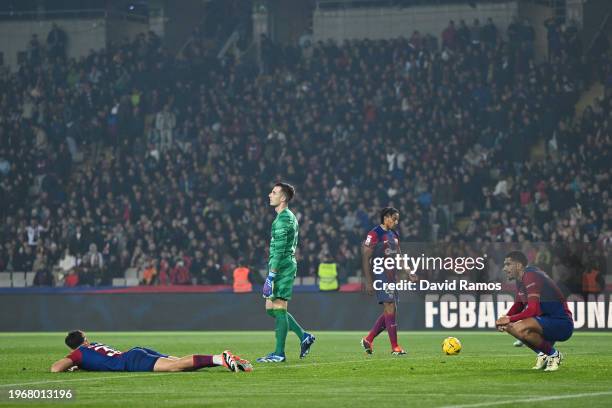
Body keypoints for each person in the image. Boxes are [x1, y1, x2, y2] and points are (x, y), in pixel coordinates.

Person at [257, 182, 315, 363]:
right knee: (270, 309)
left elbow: (281, 249)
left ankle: (279, 354)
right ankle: (304, 335)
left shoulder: (284, 219)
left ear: (283, 198)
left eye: (273, 192)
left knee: (280, 308)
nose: (269, 195)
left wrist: (272, 275)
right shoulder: (284, 217)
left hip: (282, 267)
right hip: (278, 265)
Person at [496, 251, 574, 371]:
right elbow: (518, 305)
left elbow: (533, 310)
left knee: (519, 326)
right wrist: (503, 320)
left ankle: (554, 355)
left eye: (508, 264)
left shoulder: (531, 275)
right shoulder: (521, 279)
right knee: (509, 326)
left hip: (561, 323)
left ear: (518, 265)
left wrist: (509, 319)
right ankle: (543, 354)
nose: (504, 268)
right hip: (546, 322)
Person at [50, 330, 252, 373]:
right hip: (134, 353)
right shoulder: (91, 347)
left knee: (175, 367)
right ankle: (221, 360)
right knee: (180, 364)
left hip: (130, 362)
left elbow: (55, 368)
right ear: (85, 340)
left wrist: (71, 364)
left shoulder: (78, 354)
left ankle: (220, 358)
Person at [361, 207, 411, 355]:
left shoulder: (394, 234)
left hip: (391, 276)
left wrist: (408, 271)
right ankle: (395, 347)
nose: (396, 222)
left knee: (391, 310)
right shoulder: (375, 233)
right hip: (380, 274)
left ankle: (368, 339)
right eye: (394, 219)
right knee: (390, 307)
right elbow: (365, 257)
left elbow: (399, 256)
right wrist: (368, 281)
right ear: (386, 217)